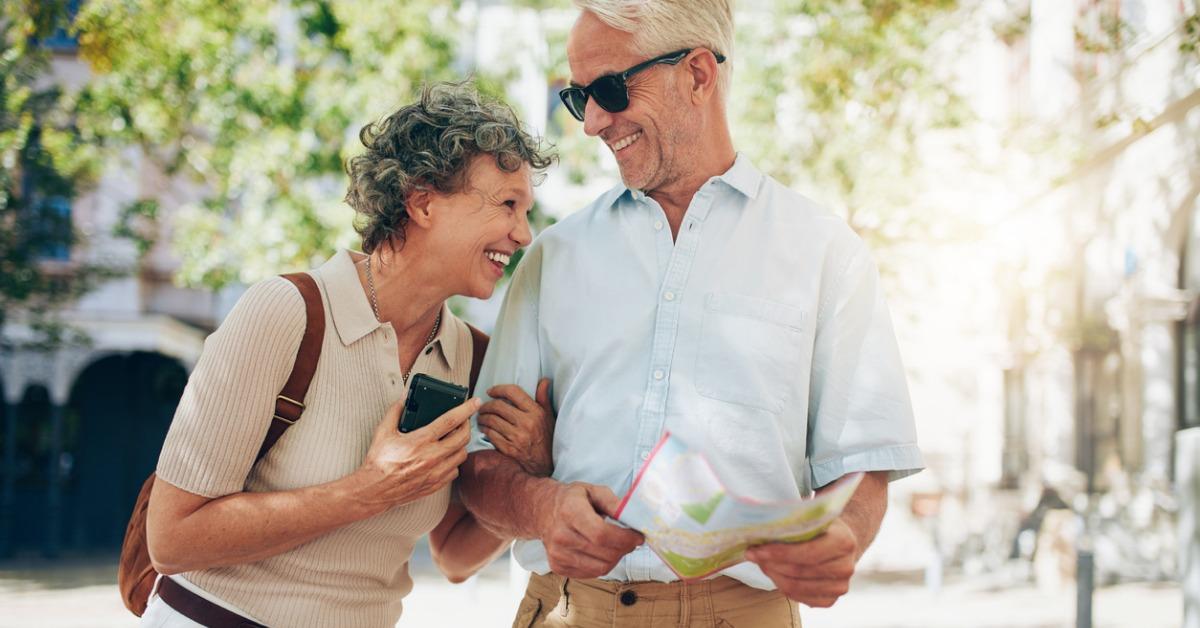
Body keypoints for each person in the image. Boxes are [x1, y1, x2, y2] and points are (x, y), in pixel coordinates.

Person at [459, 1, 925, 626]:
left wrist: (844, 540)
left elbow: (862, 468)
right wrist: (540, 506)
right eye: (579, 99)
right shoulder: (552, 257)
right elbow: (481, 466)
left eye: (610, 90)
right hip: (569, 608)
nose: (594, 121)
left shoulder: (823, 251)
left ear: (699, 75)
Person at [142, 83, 556, 627]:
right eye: (507, 204)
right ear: (423, 200)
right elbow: (171, 540)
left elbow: (454, 555)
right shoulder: (287, 312)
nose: (523, 234)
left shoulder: (471, 358)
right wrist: (367, 492)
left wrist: (535, 472)